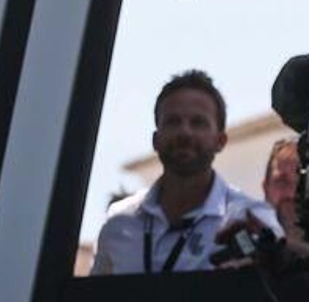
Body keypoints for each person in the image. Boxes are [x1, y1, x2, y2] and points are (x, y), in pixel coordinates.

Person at [91, 70, 280, 274]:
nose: (185, 132)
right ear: (155, 140)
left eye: (198, 123)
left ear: (220, 141)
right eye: (173, 122)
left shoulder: (250, 221)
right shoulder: (118, 222)